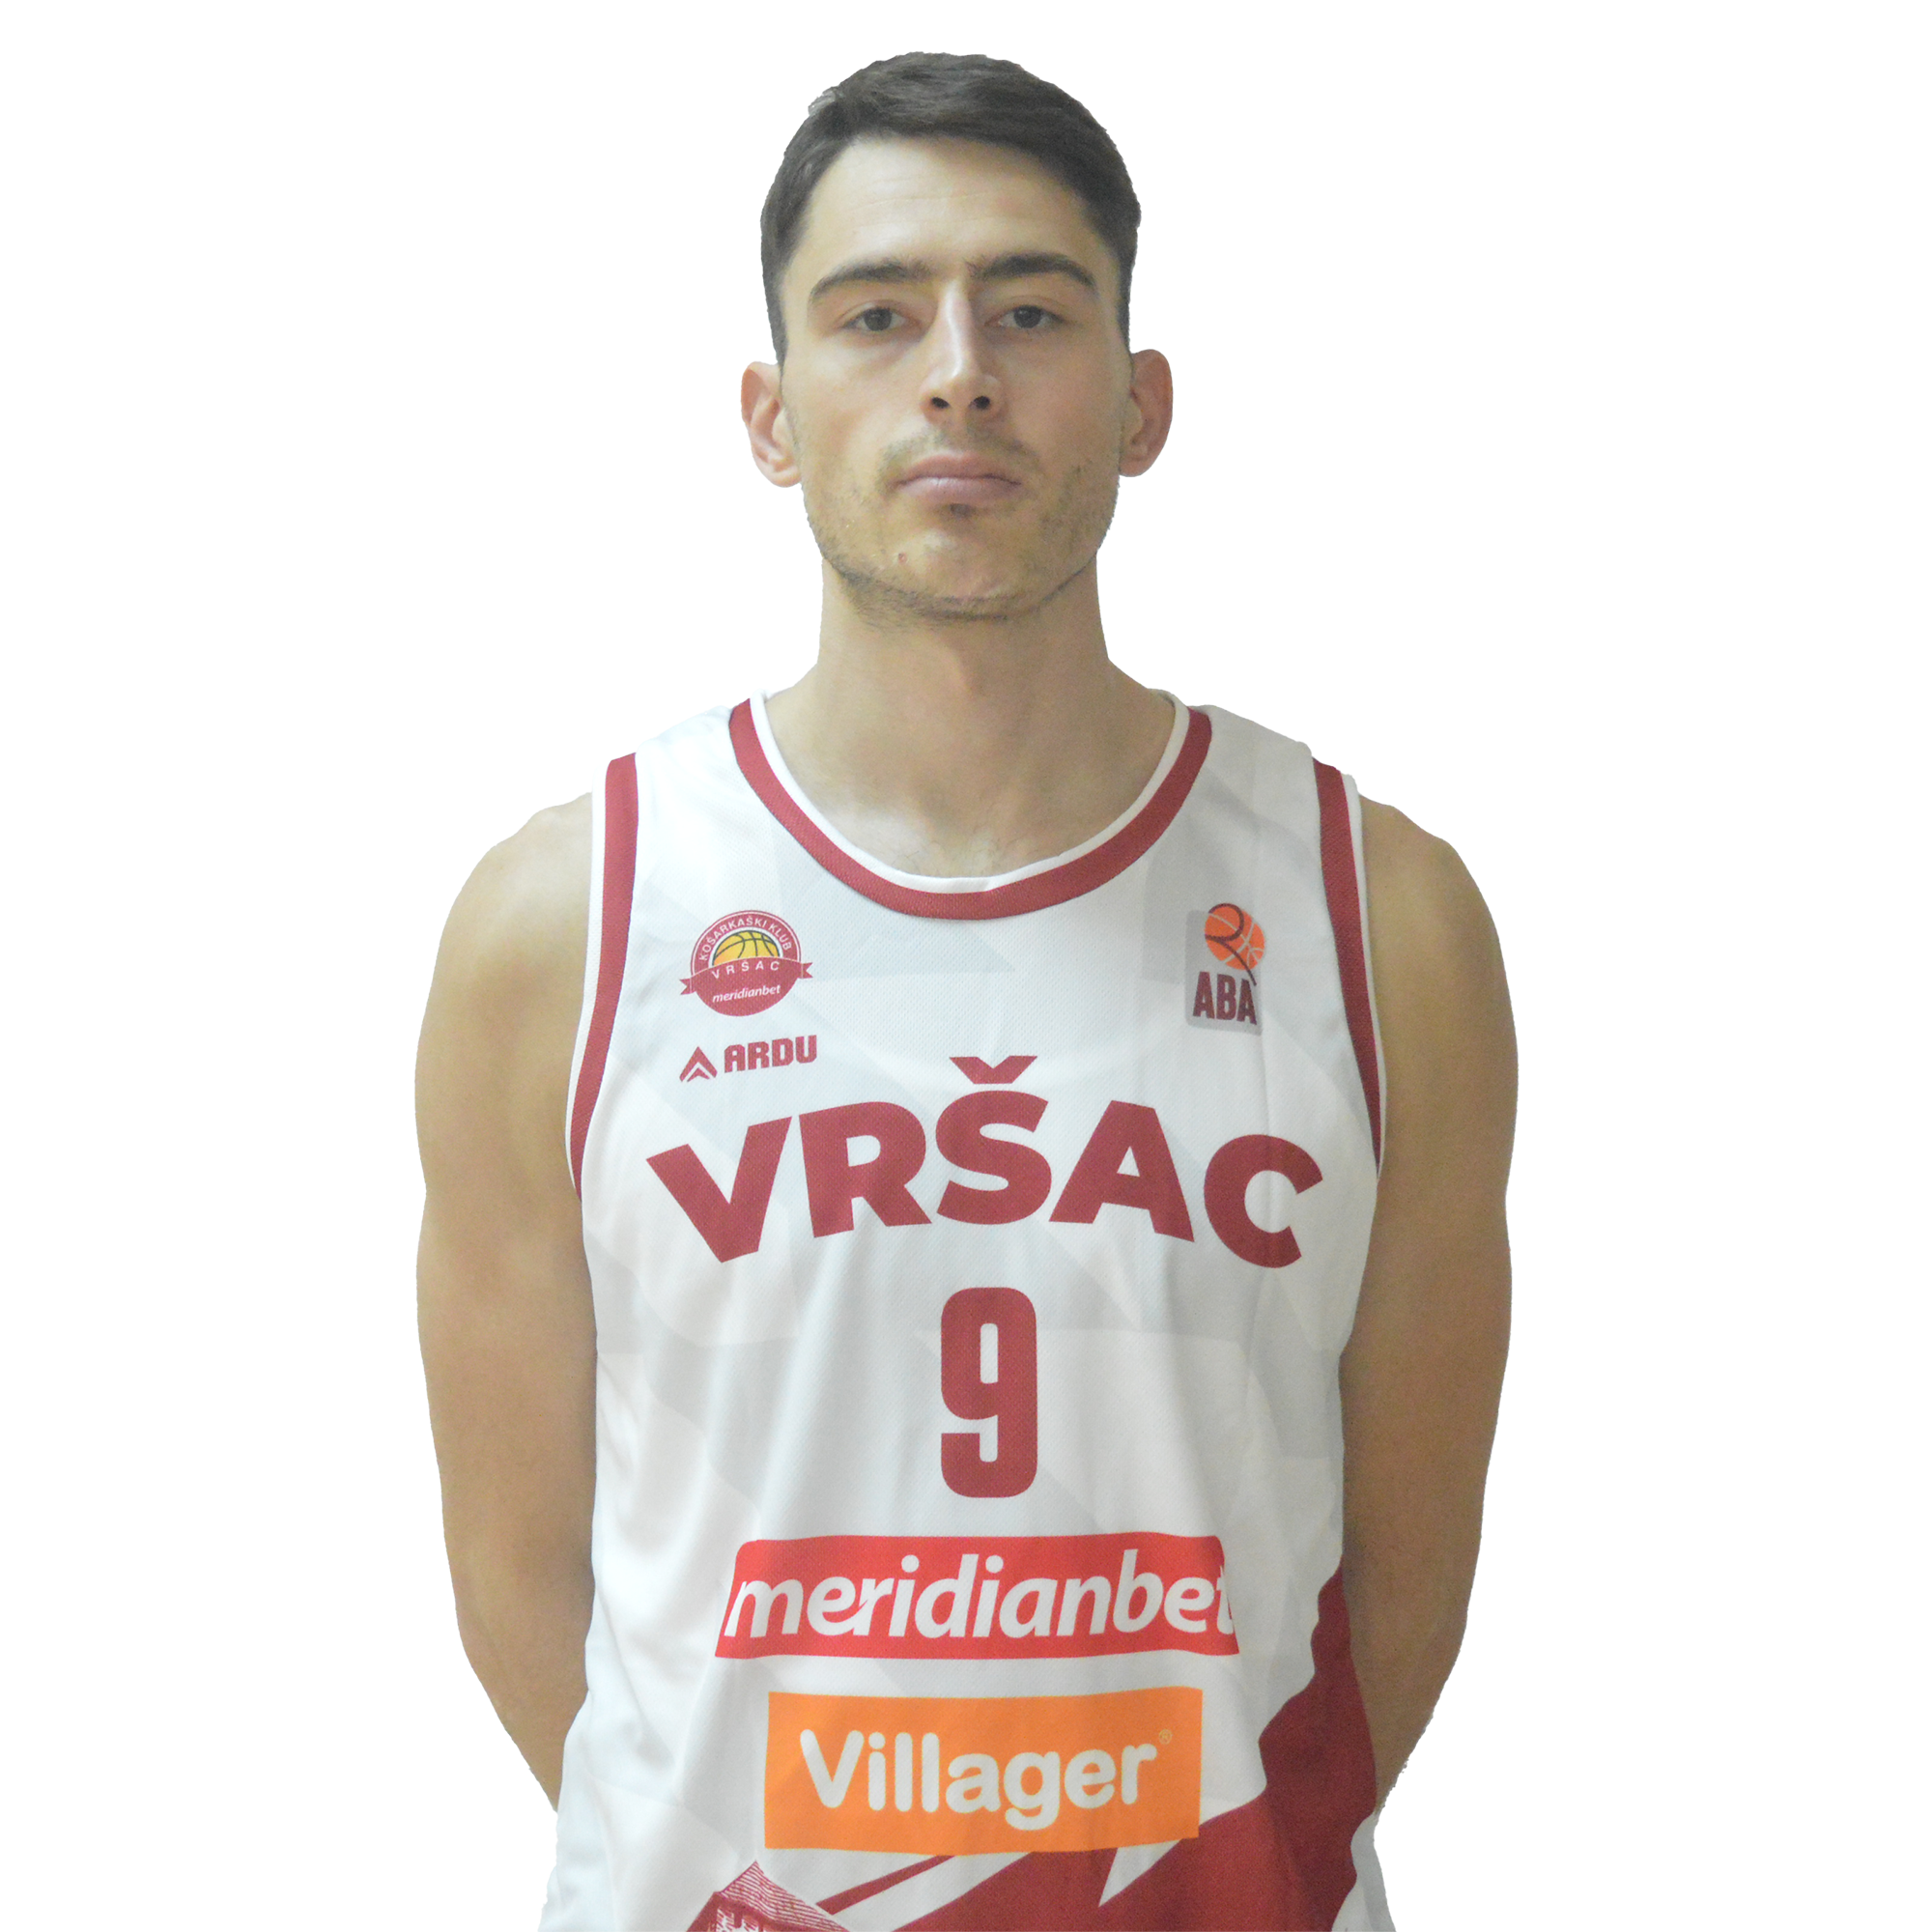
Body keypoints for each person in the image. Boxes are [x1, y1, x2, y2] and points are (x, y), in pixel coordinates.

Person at [417, 50, 1514, 1932]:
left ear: (1140, 402)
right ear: (771, 415)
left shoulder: (1378, 915)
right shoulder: (563, 925)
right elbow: (521, 1575)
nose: (957, 372)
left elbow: (1405, 1569)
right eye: (875, 314)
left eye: (1030, 309)